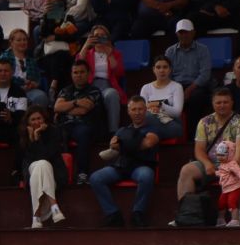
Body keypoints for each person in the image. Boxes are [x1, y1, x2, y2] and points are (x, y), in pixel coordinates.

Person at [178, 88, 240, 228]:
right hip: (210, 164)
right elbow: (199, 150)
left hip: (234, 162)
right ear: (213, 103)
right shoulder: (204, 122)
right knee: (186, 170)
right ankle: (185, 213)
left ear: (232, 103)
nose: (222, 105)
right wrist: (206, 164)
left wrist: (232, 167)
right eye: (218, 102)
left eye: (225, 102)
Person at [89, 96, 163, 227]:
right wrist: (134, 143)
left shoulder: (153, 128)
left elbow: (149, 142)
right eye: (134, 109)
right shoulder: (123, 130)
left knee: (147, 176)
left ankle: (138, 213)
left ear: (145, 110)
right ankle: (113, 214)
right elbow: (113, 144)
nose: (137, 112)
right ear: (128, 112)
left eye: (140, 109)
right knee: (95, 178)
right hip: (121, 166)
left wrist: (123, 145)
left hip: (141, 165)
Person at [51, 58, 107, 178]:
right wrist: (76, 102)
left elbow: (84, 110)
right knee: (52, 132)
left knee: (83, 133)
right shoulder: (66, 90)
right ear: (71, 74)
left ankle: (82, 173)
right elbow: (57, 107)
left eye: (82, 72)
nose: (79, 75)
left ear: (88, 74)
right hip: (65, 125)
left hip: (86, 125)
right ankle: (56, 174)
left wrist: (65, 108)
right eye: (75, 72)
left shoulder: (94, 91)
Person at [20, 106, 67, 228]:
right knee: (40, 165)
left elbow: (46, 156)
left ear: (44, 119)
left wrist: (36, 138)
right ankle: (54, 207)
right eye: (33, 119)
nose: (37, 122)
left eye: (39, 118)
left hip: (53, 173)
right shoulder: (23, 135)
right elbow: (30, 159)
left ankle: (36, 216)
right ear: (28, 122)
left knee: (43, 164)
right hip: (32, 172)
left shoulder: (54, 132)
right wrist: (33, 137)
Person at [165, 18, 213, 101]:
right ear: (176, 34)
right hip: (176, 86)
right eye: (181, 32)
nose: (184, 35)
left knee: (197, 96)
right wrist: (177, 89)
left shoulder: (203, 50)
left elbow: (205, 74)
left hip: (196, 86)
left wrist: (190, 89)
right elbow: (167, 74)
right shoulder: (170, 51)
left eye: (186, 32)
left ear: (193, 33)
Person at [139, 56, 186, 140]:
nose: (161, 70)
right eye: (158, 67)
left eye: (165, 67)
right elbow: (141, 110)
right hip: (151, 123)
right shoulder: (146, 88)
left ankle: (138, 135)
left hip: (172, 125)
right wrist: (152, 110)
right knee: (148, 131)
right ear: (154, 69)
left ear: (170, 69)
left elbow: (177, 113)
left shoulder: (176, 87)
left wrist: (159, 105)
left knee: (147, 119)